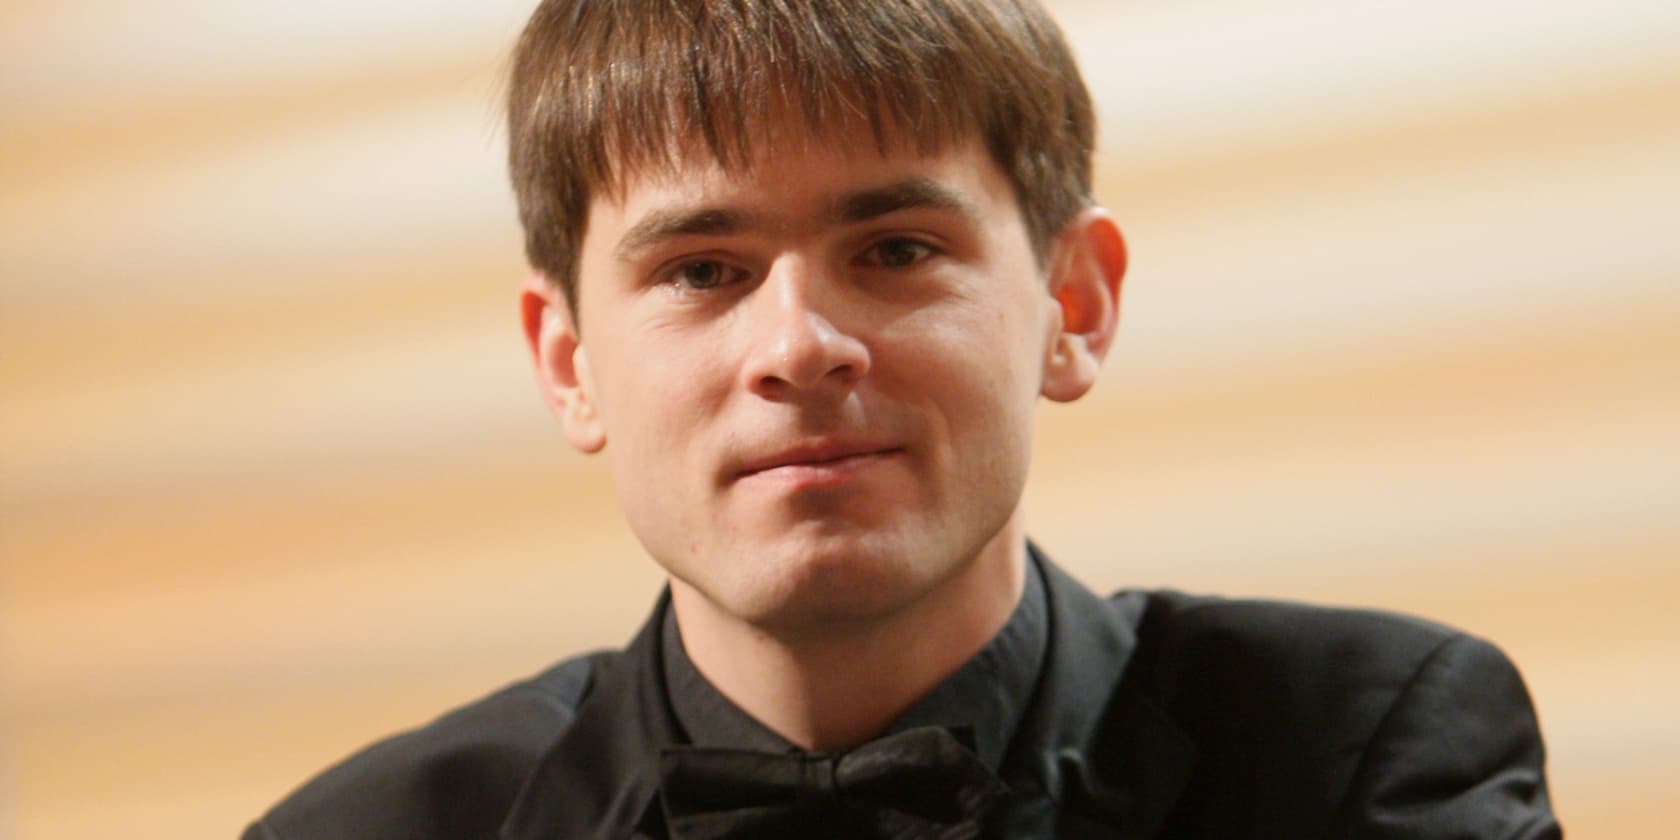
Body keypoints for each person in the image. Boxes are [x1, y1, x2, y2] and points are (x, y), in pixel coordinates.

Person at [243, 1, 1560, 837]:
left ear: (1073, 302)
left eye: (895, 249)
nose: (800, 347)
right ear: (568, 361)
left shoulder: (1363, 756)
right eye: (701, 272)